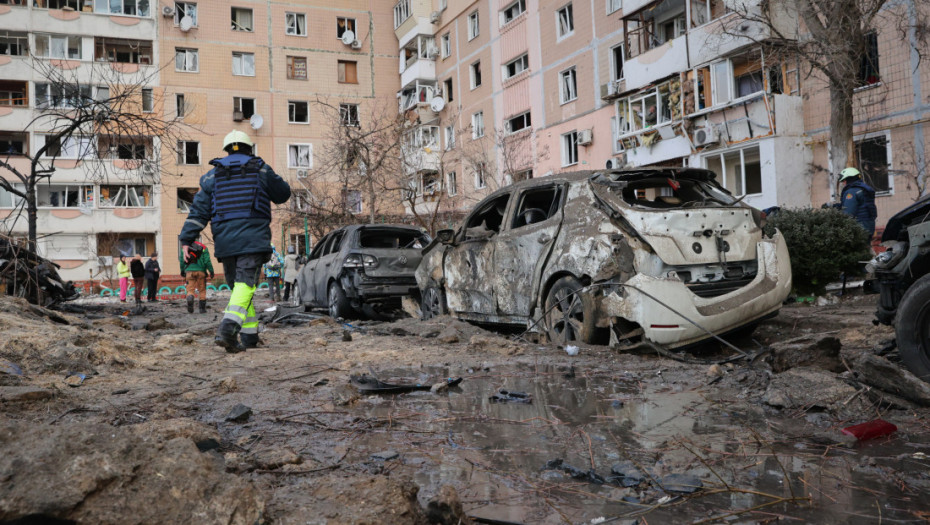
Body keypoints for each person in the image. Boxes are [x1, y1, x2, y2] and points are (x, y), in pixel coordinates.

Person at [179, 130, 290, 352]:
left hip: (225, 240)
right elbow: (283, 194)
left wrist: (186, 239)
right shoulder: (260, 169)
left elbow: (198, 211)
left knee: (239, 288)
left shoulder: (212, 176)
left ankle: (249, 337)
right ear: (250, 148)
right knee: (245, 285)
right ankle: (227, 331)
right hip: (253, 237)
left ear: (227, 149)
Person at [839, 167, 878, 239]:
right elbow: (860, 206)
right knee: (865, 248)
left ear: (849, 179)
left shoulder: (852, 192)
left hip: (859, 227)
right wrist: (835, 206)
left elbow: (848, 213)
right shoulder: (864, 189)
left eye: (844, 181)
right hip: (869, 225)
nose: (844, 183)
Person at [180, 241, 215, 314]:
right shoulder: (204, 248)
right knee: (202, 289)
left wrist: (183, 270)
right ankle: (202, 309)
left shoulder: (185, 247)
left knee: (190, 289)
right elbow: (207, 261)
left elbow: (182, 260)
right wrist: (211, 271)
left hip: (189, 271)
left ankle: (190, 297)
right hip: (201, 271)